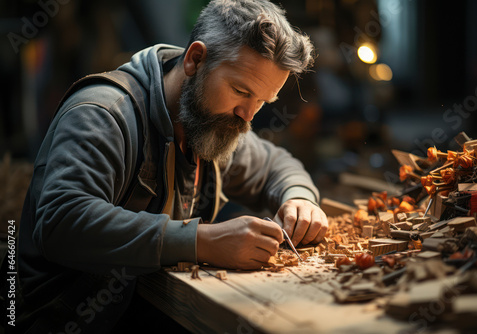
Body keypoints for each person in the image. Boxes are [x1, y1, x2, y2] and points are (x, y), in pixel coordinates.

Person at [14, 0, 328, 332]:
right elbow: (62, 221)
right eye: (240, 91)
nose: (248, 115)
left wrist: (300, 199)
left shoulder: (211, 123)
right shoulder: (103, 114)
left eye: (263, 101)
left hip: (146, 310)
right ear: (195, 59)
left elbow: (275, 165)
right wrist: (201, 241)